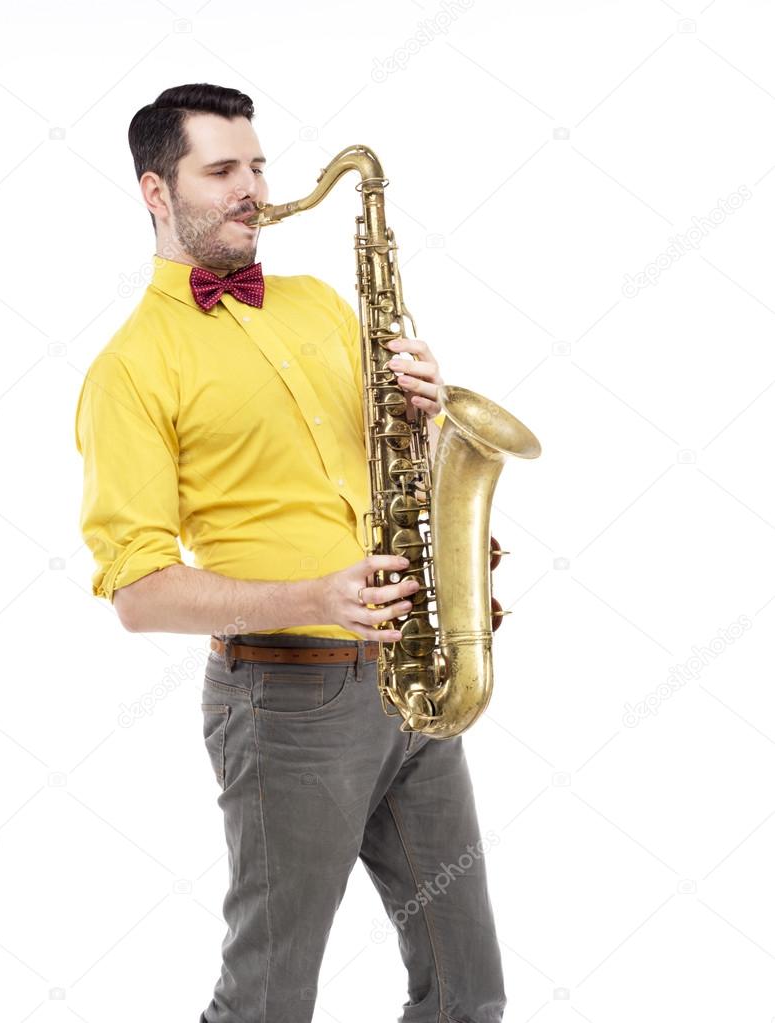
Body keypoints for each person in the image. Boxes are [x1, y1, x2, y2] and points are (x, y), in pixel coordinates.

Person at [74, 82, 506, 1023]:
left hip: (409, 674)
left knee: (469, 992)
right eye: (222, 170)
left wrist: (427, 417)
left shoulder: (321, 306)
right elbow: (138, 592)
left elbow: (388, 465)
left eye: (259, 166)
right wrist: (314, 596)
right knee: (267, 1001)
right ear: (156, 191)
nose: (254, 188)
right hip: (285, 705)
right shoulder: (129, 368)